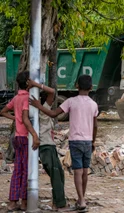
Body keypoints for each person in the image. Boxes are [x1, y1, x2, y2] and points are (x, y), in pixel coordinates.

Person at [30, 75, 98, 211]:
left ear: (76, 86)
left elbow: (54, 114)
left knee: (77, 172)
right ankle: (81, 199)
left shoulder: (71, 102)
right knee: (85, 171)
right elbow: (96, 126)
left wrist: (38, 106)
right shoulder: (93, 104)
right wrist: (93, 141)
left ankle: (82, 200)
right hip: (87, 141)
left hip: (75, 141)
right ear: (91, 87)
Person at [0, 71, 40, 211]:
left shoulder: (17, 98)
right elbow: (25, 118)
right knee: (25, 171)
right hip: (25, 137)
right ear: (29, 82)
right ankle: (23, 201)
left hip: (17, 137)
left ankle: (13, 201)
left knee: (18, 170)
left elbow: (3, 111)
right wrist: (35, 135)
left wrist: (14, 119)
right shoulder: (27, 98)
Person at [27, 79, 68, 210]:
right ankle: (59, 203)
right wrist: (36, 85)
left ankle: (58, 201)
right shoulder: (43, 109)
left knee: (58, 174)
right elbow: (52, 92)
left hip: (46, 145)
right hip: (46, 146)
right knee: (57, 174)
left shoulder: (36, 109)